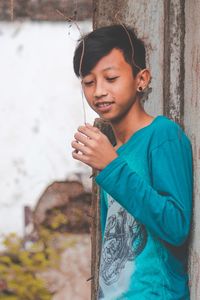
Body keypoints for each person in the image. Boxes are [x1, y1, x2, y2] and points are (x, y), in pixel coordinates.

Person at [71, 24, 193, 299]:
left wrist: (112, 167)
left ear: (141, 79)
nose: (99, 91)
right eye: (89, 82)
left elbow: (176, 227)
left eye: (111, 78)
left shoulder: (162, 135)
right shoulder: (114, 152)